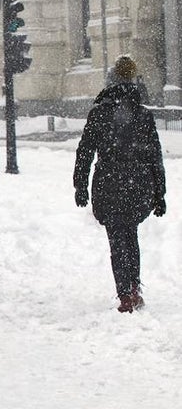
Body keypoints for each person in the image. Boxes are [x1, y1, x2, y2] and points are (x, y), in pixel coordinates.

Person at [74, 54, 167, 312]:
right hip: (137, 184)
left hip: (109, 183)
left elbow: (85, 151)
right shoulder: (143, 115)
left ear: (110, 81)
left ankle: (125, 294)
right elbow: (154, 156)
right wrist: (160, 192)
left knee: (117, 239)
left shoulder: (99, 113)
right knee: (131, 235)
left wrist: (80, 185)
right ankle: (134, 287)